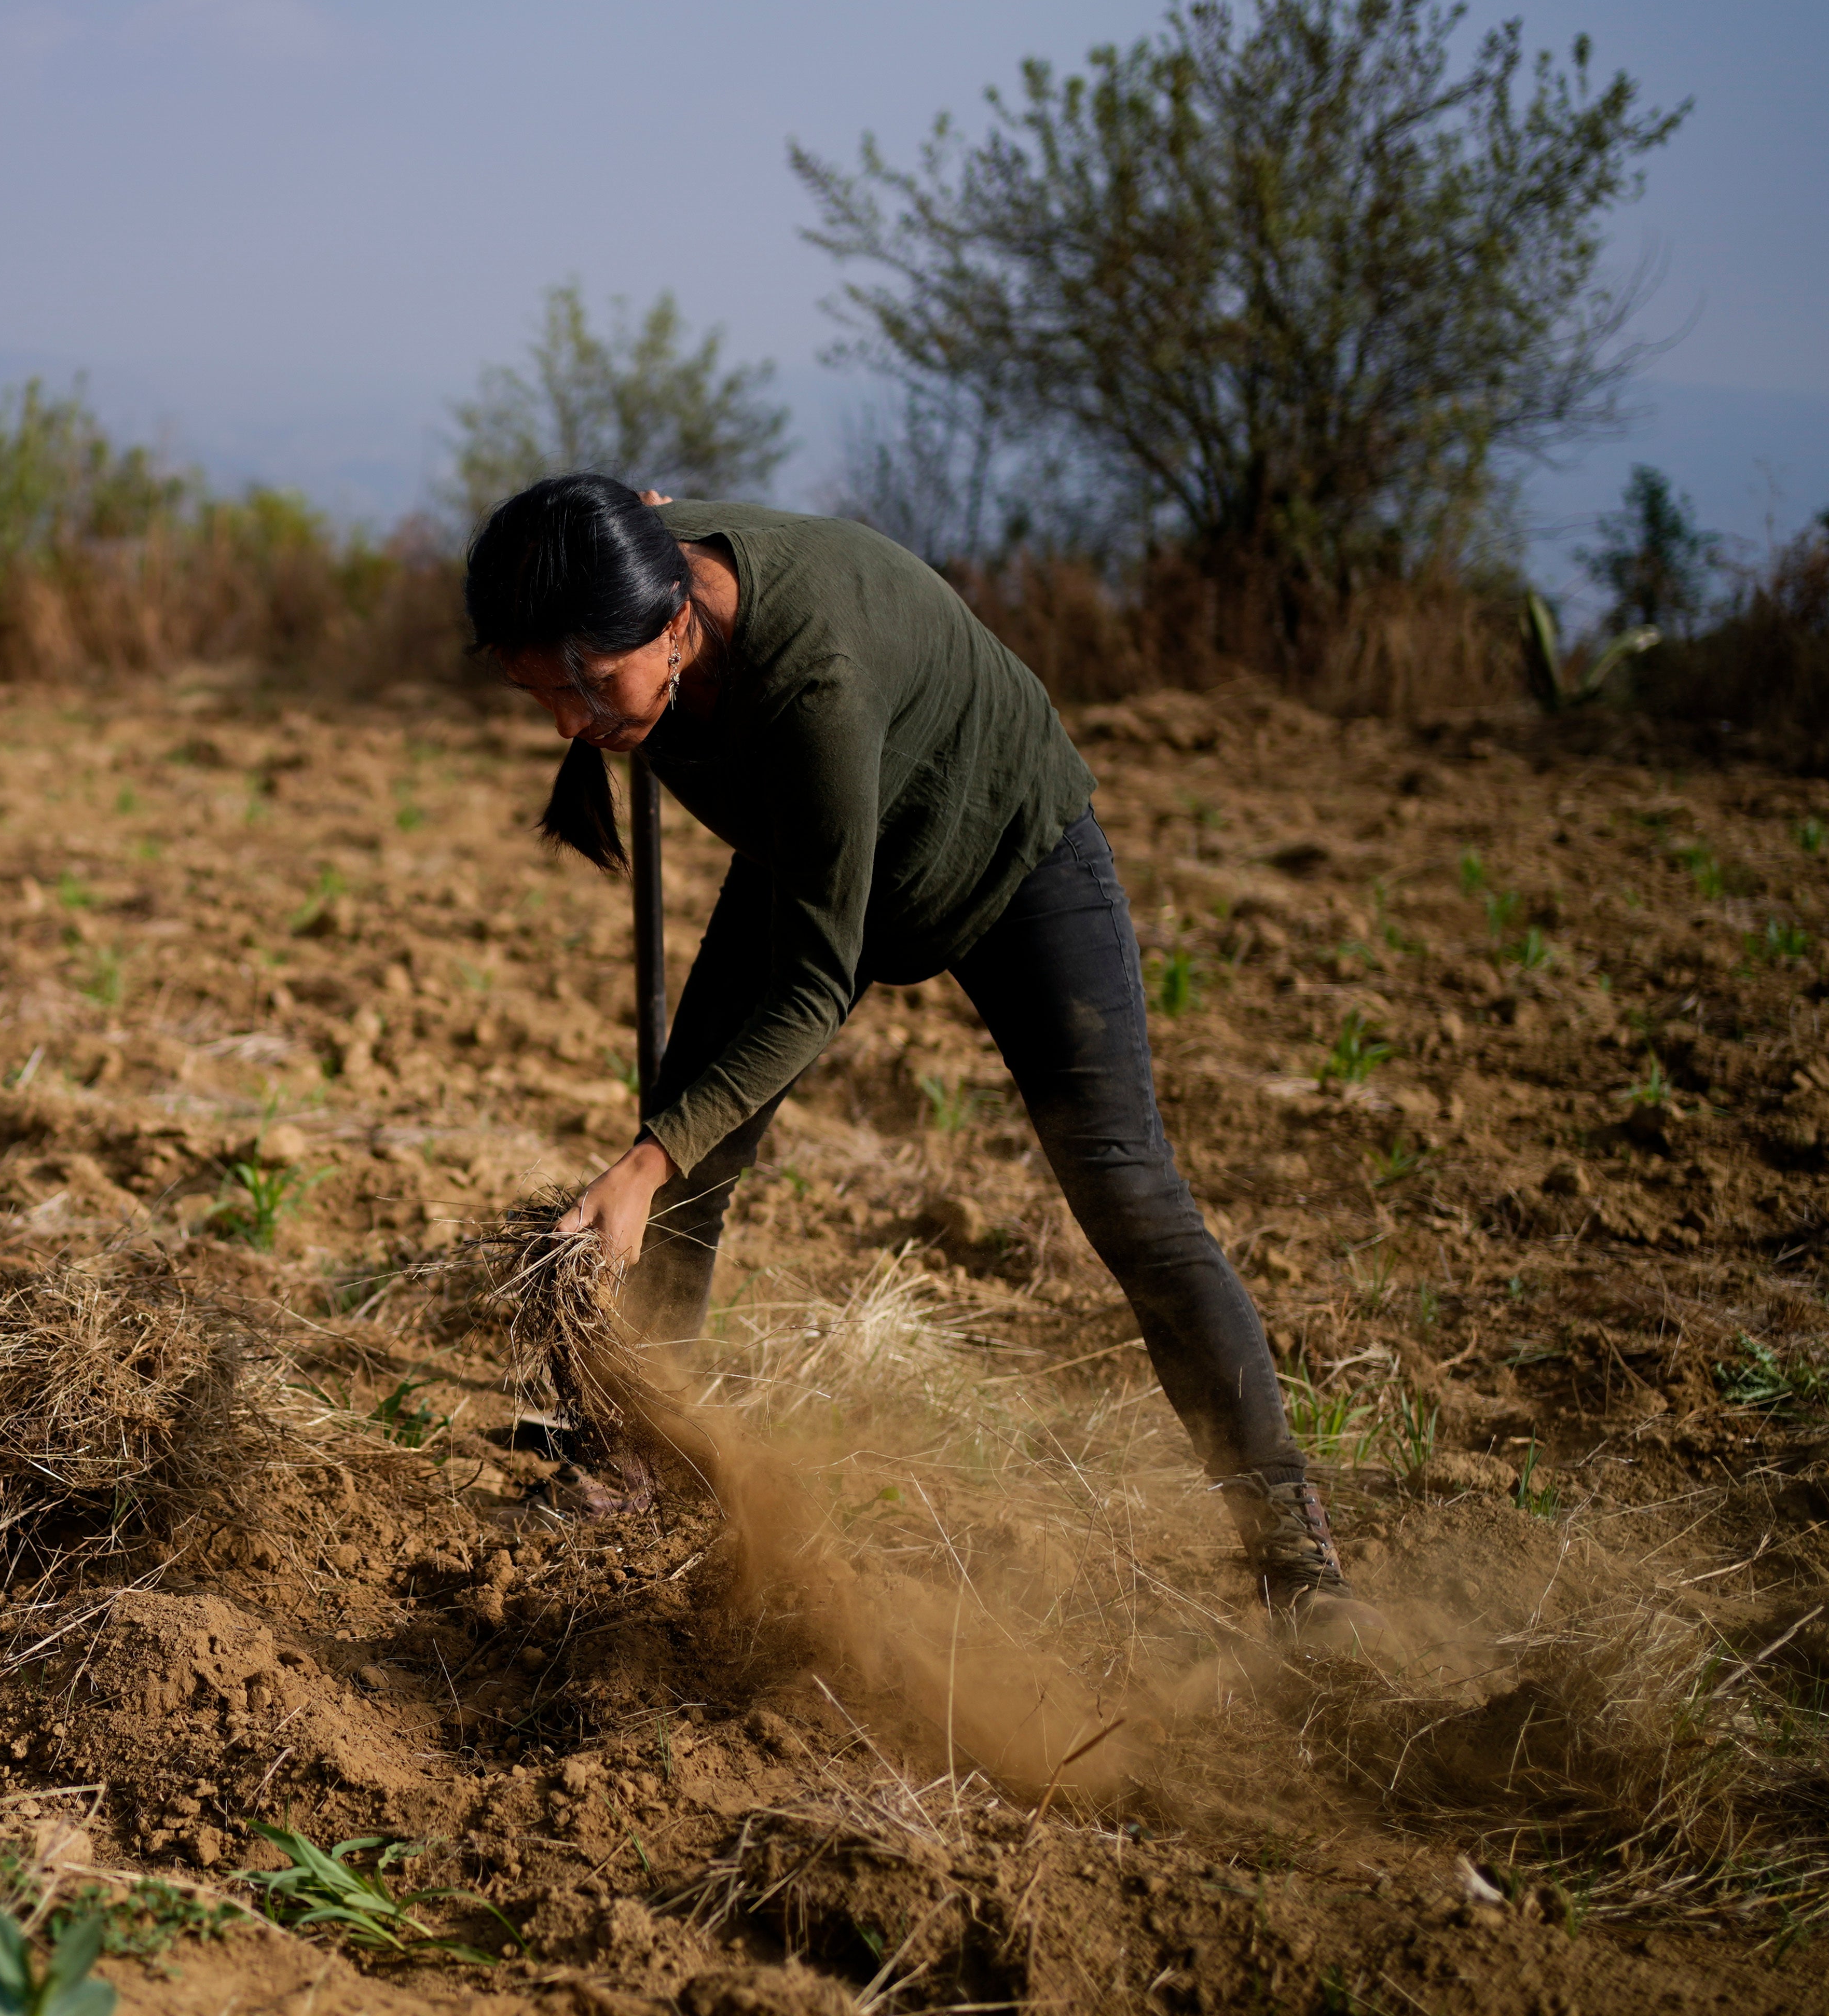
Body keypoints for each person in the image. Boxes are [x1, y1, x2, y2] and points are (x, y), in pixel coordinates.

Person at [463, 473, 1354, 1622]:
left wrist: (644, 1159)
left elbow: (818, 977)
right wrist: (667, 1151)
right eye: (542, 693)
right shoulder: (629, 567)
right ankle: (635, 1456)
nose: (571, 722)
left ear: (679, 622)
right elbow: (603, 522)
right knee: (690, 1149)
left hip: (1006, 850)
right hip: (812, 844)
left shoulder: (812, 674)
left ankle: (1297, 1561)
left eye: (591, 685)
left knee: (1127, 1188)